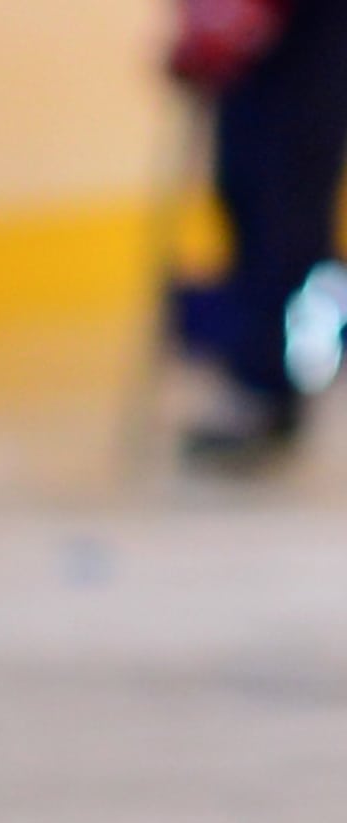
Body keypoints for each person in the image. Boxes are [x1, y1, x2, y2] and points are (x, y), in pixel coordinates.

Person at [174, 0, 346, 471]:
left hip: (306, 30)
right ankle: (265, 379)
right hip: (260, 46)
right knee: (247, 193)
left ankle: (274, 384)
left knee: (286, 208)